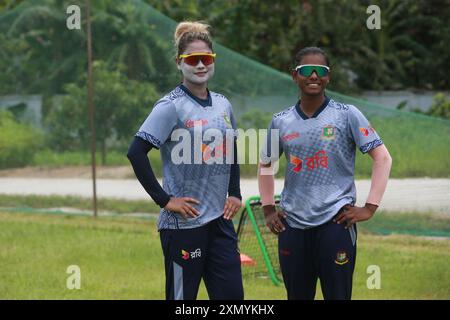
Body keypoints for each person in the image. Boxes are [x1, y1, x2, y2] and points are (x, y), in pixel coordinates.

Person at [258, 47, 392, 300]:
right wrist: (268, 209)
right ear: (294, 76)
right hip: (293, 226)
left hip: (335, 223)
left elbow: (383, 158)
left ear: (328, 77)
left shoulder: (347, 115)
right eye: (307, 70)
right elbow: (266, 165)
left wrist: (369, 208)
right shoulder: (281, 120)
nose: (314, 76)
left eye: (321, 71)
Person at [127, 21, 243, 300]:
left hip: (220, 222)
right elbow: (136, 152)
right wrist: (166, 200)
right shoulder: (170, 106)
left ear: (213, 61)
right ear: (180, 63)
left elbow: (231, 149)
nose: (200, 65)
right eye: (193, 60)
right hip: (184, 225)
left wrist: (235, 193)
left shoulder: (223, 104)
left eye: (206, 59)